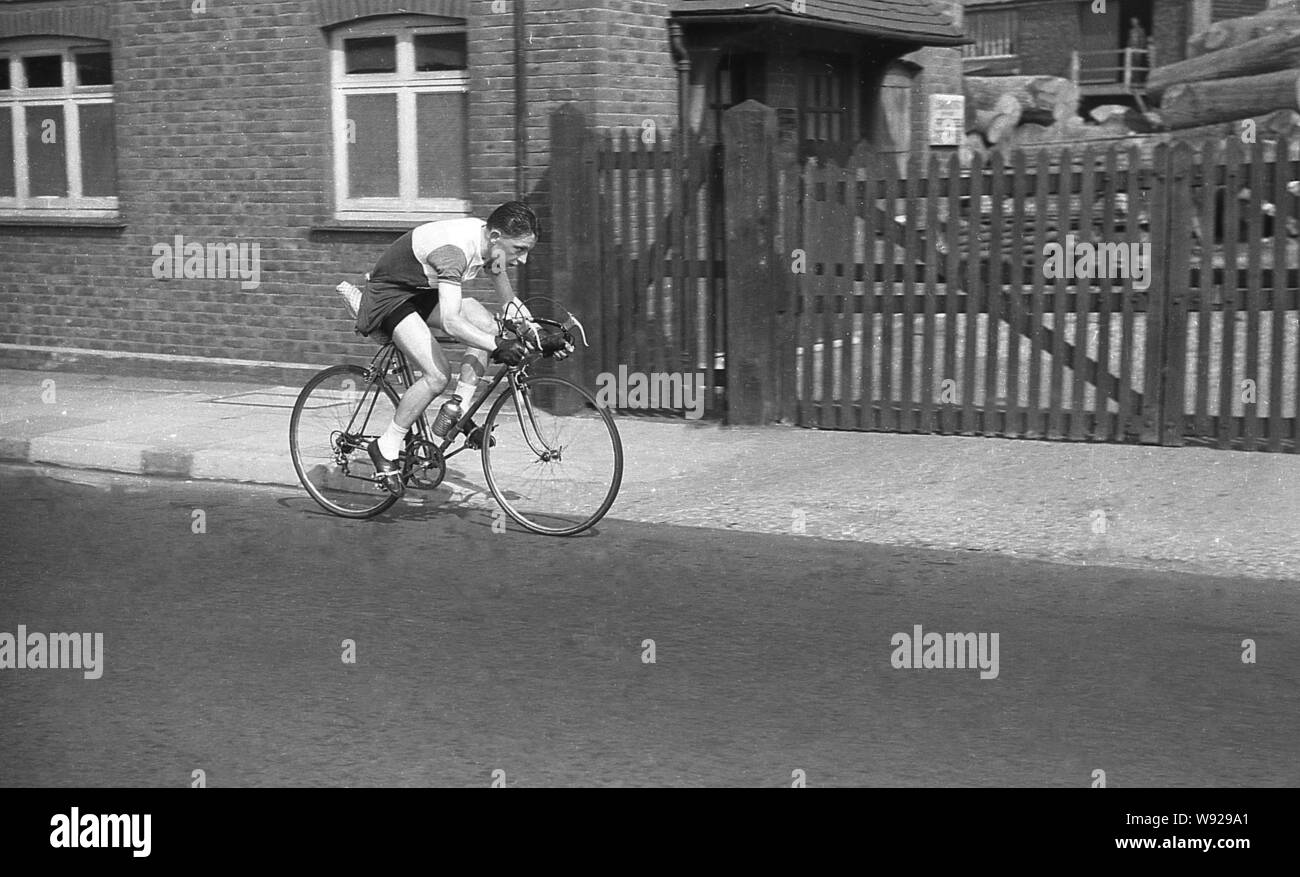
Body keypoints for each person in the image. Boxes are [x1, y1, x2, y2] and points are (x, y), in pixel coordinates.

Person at [354, 201, 572, 488]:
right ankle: (386, 446)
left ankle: (458, 408)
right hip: (389, 299)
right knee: (437, 375)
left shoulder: (491, 249)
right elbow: (452, 321)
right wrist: (497, 346)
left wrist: (538, 335)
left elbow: (508, 304)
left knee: (487, 325)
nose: (523, 260)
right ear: (495, 237)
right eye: (519, 249)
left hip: (421, 293)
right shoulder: (453, 252)